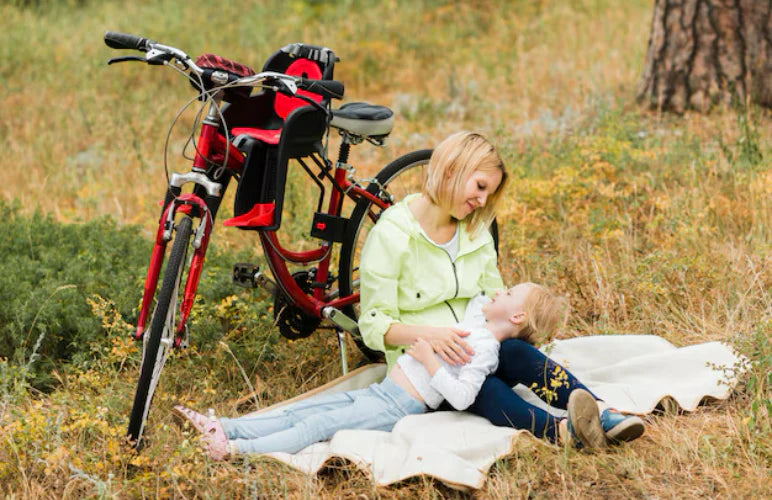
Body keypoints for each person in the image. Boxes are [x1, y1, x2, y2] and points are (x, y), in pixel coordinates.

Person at [357, 131, 644, 447]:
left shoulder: (475, 231)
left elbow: (495, 295)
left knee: (516, 351)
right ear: (452, 170)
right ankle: (563, 432)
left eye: (488, 193)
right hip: (431, 369)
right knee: (487, 389)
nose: (482, 201)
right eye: (480, 187)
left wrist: (515, 327)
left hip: (479, 348)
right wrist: (433, 337)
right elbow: (373, 326)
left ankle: (600, 412)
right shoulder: (393, 234)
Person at [173, 282, 598, 459]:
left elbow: (464, 396)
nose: (497, 290)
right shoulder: (476, 321)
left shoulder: (485, 349)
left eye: (507, 291)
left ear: (518, 315)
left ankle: (232, 450)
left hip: (397, 405)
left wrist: (431, 360)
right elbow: (472, 294)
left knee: (318, 424)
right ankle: (226, 426)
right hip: (380, 392)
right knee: (307, 409)